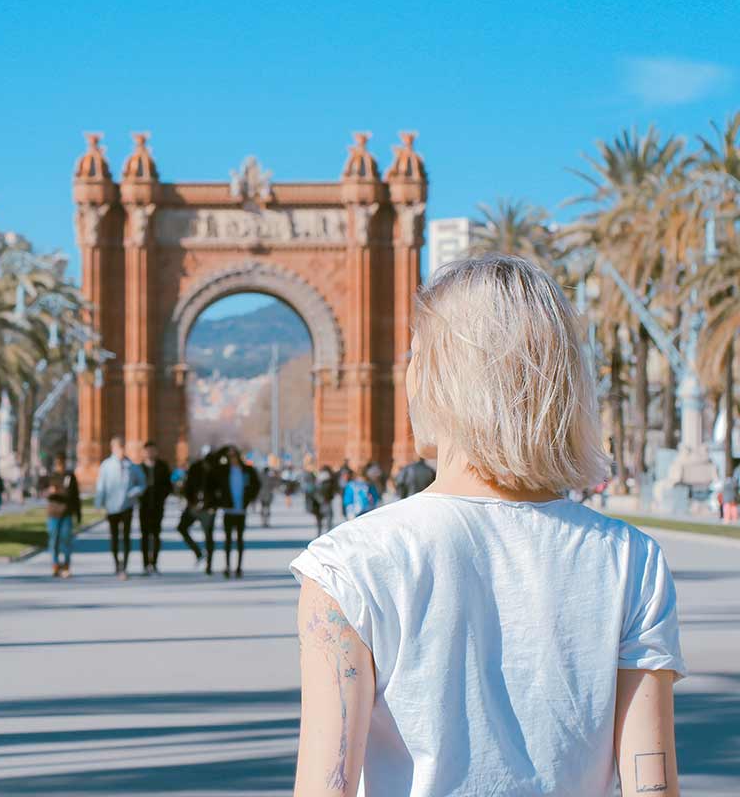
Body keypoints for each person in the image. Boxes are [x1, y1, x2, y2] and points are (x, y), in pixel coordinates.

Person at [290, 255, 686, 796]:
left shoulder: (348, 564)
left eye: (416, 354)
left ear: (440, 377)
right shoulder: (630, 559)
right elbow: (652, 786)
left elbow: (324, 788)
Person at [94, 436, 146, 580]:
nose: (121, 450)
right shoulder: (106, 465)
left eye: (123, 447)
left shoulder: (132, 466)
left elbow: (142, 484)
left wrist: (133, 493)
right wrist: (99, 504)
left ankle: (125, 567)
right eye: (118, 447)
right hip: (112, 507)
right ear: (113, 449)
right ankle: (117, 564)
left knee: (126, 537)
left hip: (127, 506)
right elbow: (101, 486)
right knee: (115, 537)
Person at [214, 445, 260, 578]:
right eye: (229, 456)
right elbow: (214, 463)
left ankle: (239, 567)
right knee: (228, 539)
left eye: (234, 455)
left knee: (240, 539)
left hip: (241, 510)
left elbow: (256, 485)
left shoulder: (247, 470)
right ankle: (227, 567)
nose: (232, 458)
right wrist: (225, 449)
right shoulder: (223, 470)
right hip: (228, 509)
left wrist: (249, 498)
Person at [44, 453, 82, 578]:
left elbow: (75, 496)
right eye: (58, 463)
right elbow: (44, 492)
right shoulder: (51, 476)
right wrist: (51, 491)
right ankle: (55, 565)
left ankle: (66, 565)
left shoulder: (70, 477)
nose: (60, 466)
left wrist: (78, 513)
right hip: (53, 513)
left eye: (62, 463)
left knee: (66, 540)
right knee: (54, 540)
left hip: (66, 512)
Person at [138, 441, 172, 575]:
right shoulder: (139, 468)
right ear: (144, 452)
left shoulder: (163, 467)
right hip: (144, 507)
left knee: (156, 535)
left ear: (156, 451)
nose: (150, 453)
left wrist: (162, 496)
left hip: (158, 506)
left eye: (153, 450)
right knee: (145, 536)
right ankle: (145, 564)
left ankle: (155, 563)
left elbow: (168, 486)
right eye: (148, 450)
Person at [174, 446, 212, 565]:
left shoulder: (215, 470)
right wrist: (191, 503)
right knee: (182, 528)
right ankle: (198, 552)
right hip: (193, 507)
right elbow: (188, 487)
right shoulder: (195, 468)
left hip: (208, 508)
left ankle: (209, 565)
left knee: (208, 535)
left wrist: (213, 505)